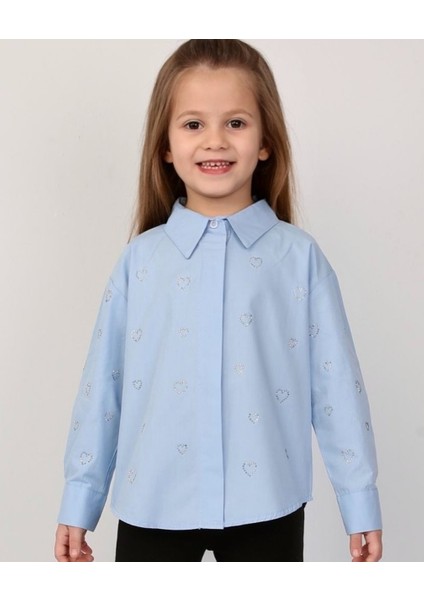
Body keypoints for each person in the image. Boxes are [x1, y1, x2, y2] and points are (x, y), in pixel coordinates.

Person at [54, 39, 383, 562]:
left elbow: (336, 387)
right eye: (193, 124)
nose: (215, 141)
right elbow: (103, 387)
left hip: (267, 506)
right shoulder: (140, 262)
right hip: (153, 503)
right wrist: (80, 497)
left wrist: (359, 501)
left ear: (266, 141)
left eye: (235, 122)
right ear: (165, 145)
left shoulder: (298, 258)